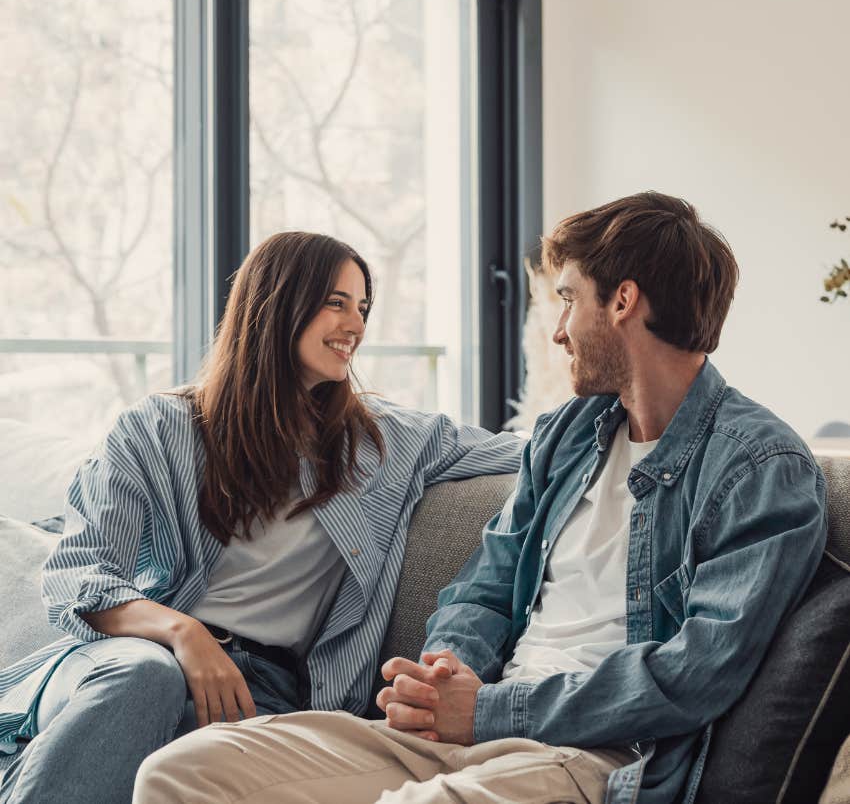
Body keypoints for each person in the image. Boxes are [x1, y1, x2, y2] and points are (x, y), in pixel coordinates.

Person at [133, 193, 827, 804]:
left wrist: (491, 713)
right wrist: (447, 671)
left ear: (622, 302)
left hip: (594, 757)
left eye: (567, 298)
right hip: (467, 732)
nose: (558, 331)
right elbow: (484, 589)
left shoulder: (761, 466)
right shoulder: (569, 435)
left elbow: (696, 674)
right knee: (185, 771)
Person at [0, 231, 524, 804]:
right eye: (336, 302)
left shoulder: (388, 443)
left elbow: (538, 448)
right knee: (144, 678)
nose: (356, 325)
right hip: (131, 661)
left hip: (266, 693)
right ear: (278, 303)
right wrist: (185, 632)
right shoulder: (157, 429)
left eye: (363, 307)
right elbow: (80, 575)